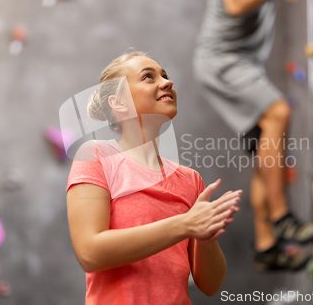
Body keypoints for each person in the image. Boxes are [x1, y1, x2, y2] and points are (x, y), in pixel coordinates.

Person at [66, 52, 241, 305]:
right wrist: (185, 224)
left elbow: (210, 285)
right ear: (119, 103)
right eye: (148, 77)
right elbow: (90, 252)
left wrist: (206, 238)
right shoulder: (95, 155)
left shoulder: (190, 180)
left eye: (165, 76)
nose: (166, 82)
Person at [193, 0, 313, 271]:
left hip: (242, 62)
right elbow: (236, 2)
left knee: (264, 149)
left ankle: (267, 246)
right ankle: (282, 218)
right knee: (278, 112)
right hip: (223, 61)